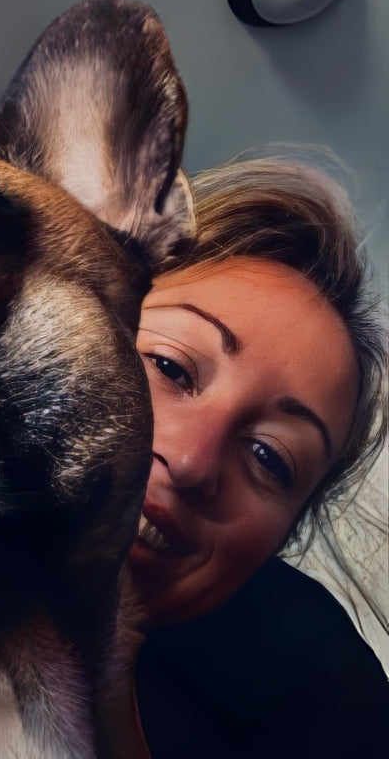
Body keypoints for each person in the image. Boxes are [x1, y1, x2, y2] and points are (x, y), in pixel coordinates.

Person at [128, 148, 389, 758]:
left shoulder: (325, 699)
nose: (192, 461)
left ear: (279, 543)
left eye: (270, 457)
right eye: (169, 367)